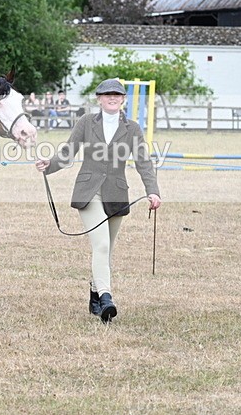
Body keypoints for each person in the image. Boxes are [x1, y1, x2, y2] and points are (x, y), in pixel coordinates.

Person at [35, 78, 161, 323]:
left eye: (116, 94)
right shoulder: (86, 122)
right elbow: (68, 151)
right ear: (99, 99)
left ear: (123, 99)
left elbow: (143, 162)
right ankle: (106, 298)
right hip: (89, 190)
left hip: (117, 192)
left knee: (106, 250)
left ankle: (94, 293)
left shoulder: (133, 128)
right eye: (107, 94)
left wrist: (153, 190)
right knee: (102, 245)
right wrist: (50, 165)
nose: (112, 98)